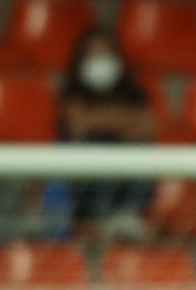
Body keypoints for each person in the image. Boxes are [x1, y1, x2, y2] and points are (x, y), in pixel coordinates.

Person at [54, 28, 155, 235]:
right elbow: (80, 126)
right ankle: (106, 222)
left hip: (127, 180)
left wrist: (96, 119)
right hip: (86, 183)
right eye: (94, 54)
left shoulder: (133, 92)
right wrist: (125, 121)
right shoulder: (72, 91)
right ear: (82, 59)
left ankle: (126, 218)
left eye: (105, 54)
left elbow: (147, 127)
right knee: (99, 153)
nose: (100, 60)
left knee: (141, 154)